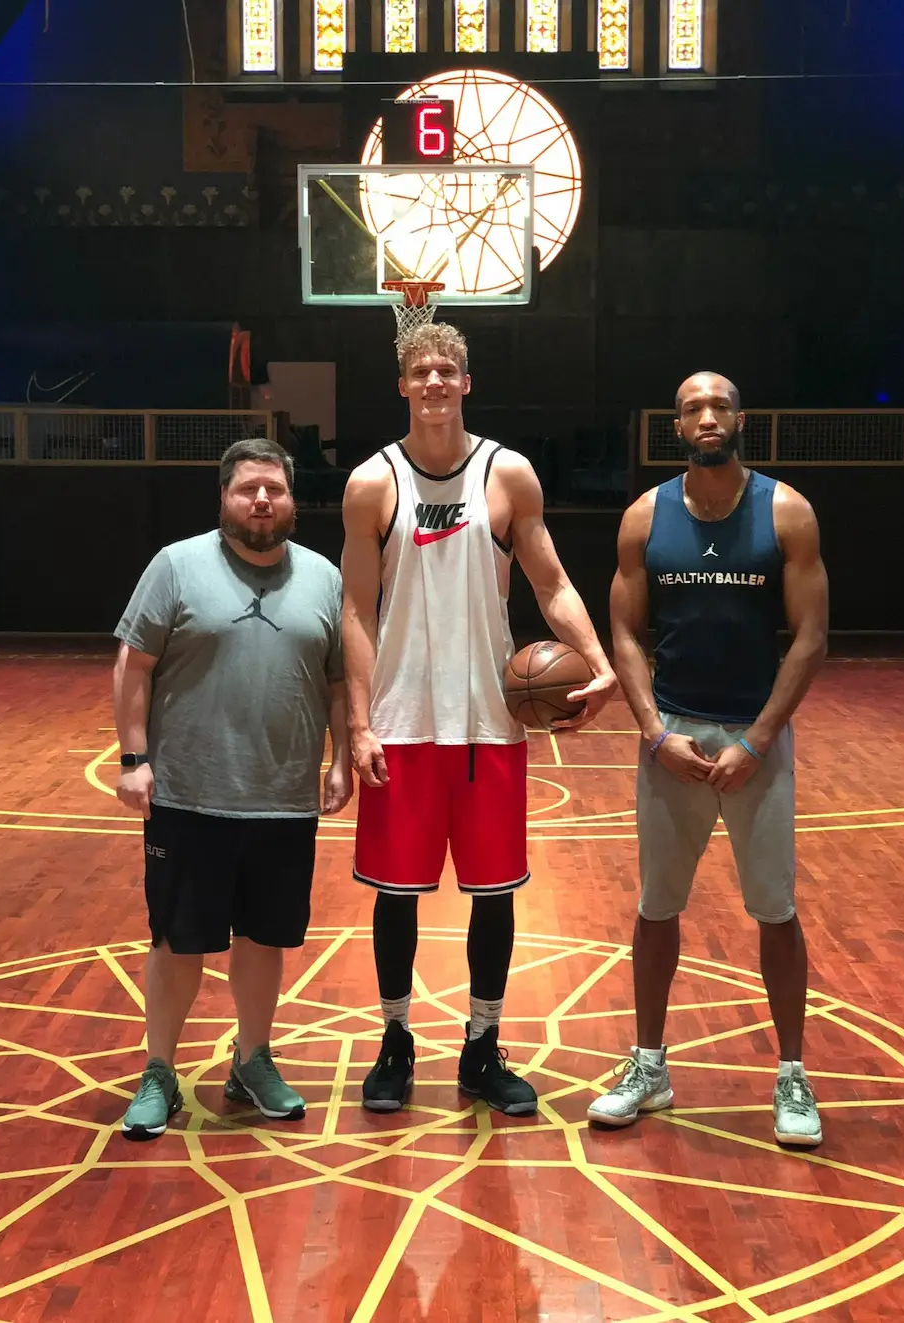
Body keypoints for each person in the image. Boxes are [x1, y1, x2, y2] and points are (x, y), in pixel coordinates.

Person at [341, 321, 617, 1115]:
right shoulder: (373, 484)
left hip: (491, 721)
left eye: (446, 370)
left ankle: (482, 1046)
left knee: (494, 894)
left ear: (467, 382)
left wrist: (597, 662)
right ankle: (395, 1041)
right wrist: (360, 724)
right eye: (420, 371)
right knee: (396, 894)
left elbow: (553, 582)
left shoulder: (508, 474)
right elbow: (355, 609)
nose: (433, 382)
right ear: (401, 386)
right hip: (404, 717)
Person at [588, 372, 828, 1146]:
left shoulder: (785, 510)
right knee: (658, 906)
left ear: (739, 418)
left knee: (775, 911)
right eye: (693, 407)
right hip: (675, 737)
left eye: (719, 405)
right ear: (678, 424)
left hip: (757, 739)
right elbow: (623, 632)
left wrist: (760, 739)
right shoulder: (644, 517)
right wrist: (655, 731)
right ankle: (649, 1064)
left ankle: (792, 1074)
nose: (707, 417)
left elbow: (811, 636)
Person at [113, 438, 351, 1140]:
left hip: (282, 796)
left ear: (291, 500)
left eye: (273, 489)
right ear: (224, 497)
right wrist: (134, 757)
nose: (261, 500)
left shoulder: (323, 577)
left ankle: (252, 1059)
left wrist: (339, 759)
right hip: (189, 793)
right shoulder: (176, 565)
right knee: (178, 941)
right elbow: (133, 666)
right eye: (247, 488)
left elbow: (339, 680)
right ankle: (159, 1069)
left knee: (264, 937)